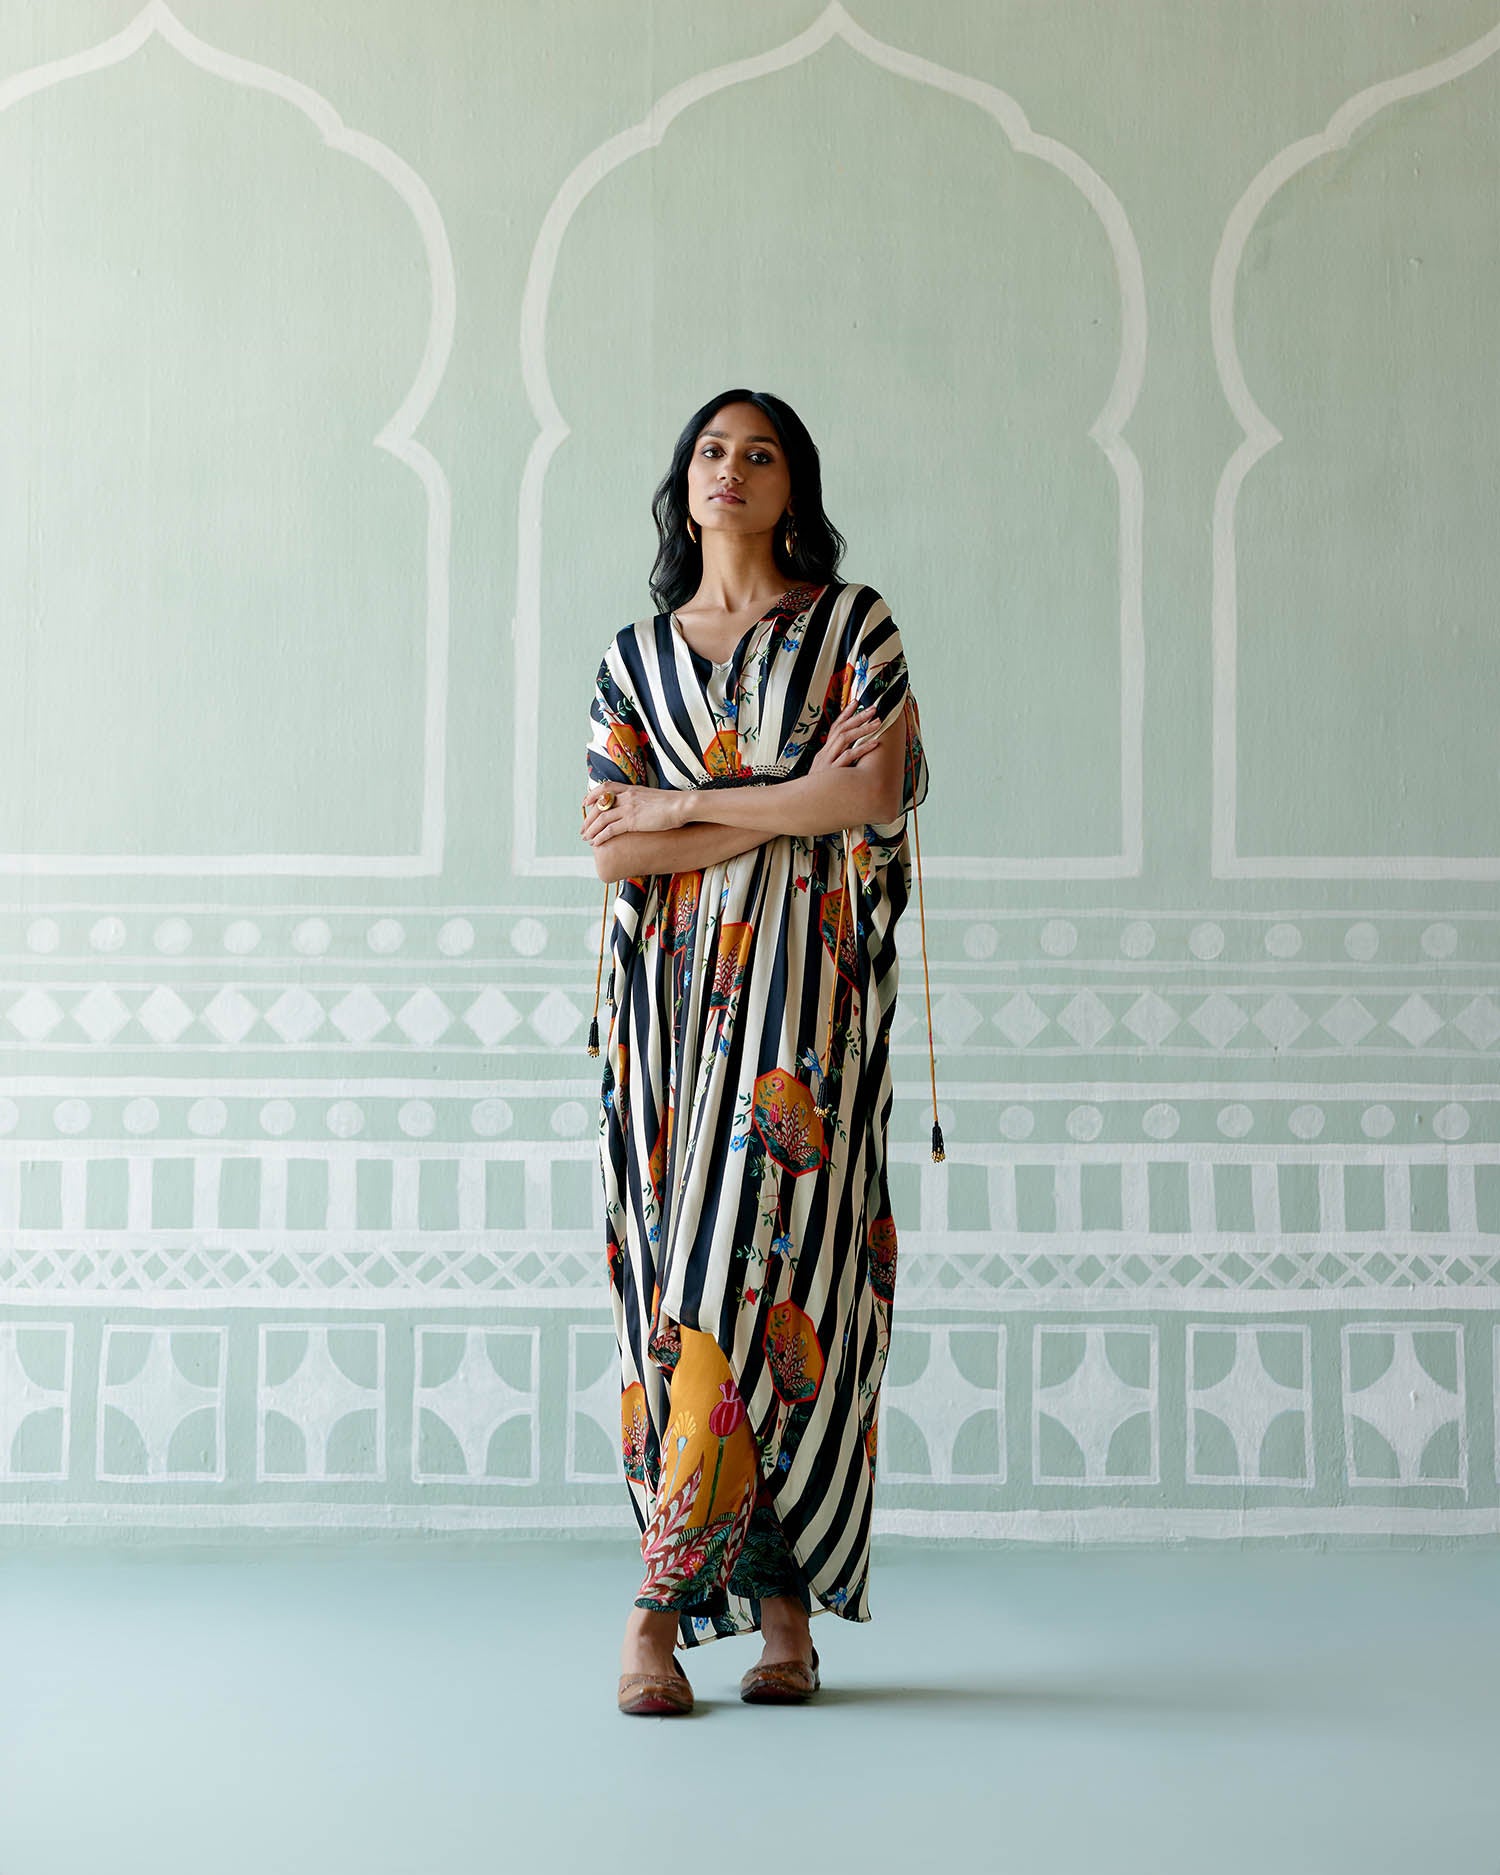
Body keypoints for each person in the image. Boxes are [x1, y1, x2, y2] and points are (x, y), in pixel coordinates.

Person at [580, 389, 940, 1717]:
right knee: (686, 1293)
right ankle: (784, 1620)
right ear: (683, 484)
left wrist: (679, 803)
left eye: (761, 453)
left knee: (760, 1282)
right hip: (665, 1020)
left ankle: (652, 1622)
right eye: (711, 451)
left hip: (804, 1008)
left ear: (797, 487)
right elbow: (613, 854)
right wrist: (788, 801)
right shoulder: (632, 660)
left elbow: (873, 794)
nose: (730, 469)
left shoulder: (853, 626)